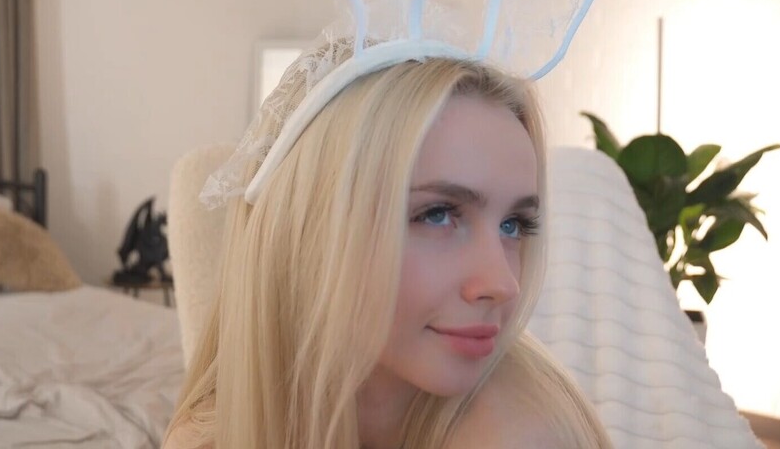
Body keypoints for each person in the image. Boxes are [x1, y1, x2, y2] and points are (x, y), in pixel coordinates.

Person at [163, 43, 612, 448]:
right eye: (437, 214)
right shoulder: (209, 436)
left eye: (513, 225)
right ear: (308, 230)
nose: (503, 283)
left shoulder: (519, 434)